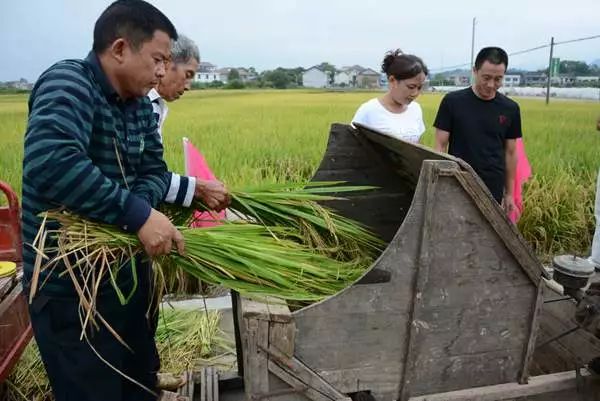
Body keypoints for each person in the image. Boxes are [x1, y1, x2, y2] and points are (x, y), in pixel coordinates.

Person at [21, 2, 228, 401]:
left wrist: (142, 212)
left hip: (127, 275)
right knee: (93, 391)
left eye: (167, 62)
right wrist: (136, 215)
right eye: (158, 60)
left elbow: (152, 172)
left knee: (138, 381)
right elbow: (53, 162)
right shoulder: (69, 83)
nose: (162, 72)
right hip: (72, 286)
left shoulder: (140, 108)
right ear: (119, 49)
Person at [434, 47, 521, 213]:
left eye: (498, 79)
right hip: (458, 181)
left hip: (492, 185)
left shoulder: (510, 108)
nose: (491, 85)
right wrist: (439, 184)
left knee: (485, 235)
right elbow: (439, 146)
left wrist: (509, 194)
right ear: (475, 71)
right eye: (486, 78)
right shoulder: (452, 102)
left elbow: (510, 153)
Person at [352, 49, 428, 143]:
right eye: (411, 87)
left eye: (419, 87)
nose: (415, 93)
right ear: (392, 80)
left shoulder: (416, 109)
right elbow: (350, 147)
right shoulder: (369, 110)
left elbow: (417, 148)